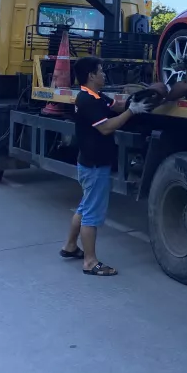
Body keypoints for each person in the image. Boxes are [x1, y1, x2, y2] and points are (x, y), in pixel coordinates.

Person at [60, 56, 154, 276]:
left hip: (89, 162)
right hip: (94, 166)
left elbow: (115, 106)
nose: (104, 74)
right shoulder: (87, 100)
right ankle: (90, 262)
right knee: (91, 214)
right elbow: (106, 127)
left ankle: (70, 246)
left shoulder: (97, 96)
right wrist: (132, 112)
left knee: (85, 207)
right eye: (101, 71)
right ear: (91, 75)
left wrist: (132, 102)